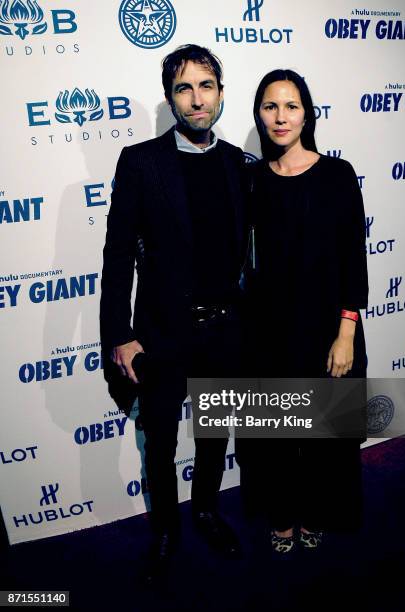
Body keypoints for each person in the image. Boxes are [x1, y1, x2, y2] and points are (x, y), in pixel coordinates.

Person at [100, 44, 249, 578]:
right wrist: (119, 332)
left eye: (206, 85)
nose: (196, 98)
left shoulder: (237, 163)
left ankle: (207, 510)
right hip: (160, 334)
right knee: (159, 441)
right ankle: (165, 526)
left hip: (225, 329)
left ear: (221, 93)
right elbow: (118, 254)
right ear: (170, 98)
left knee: (215, 434)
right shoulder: (141, 162)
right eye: (184, 88)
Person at [249, 69, 368, 553]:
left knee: (326, 436)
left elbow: (352, 258)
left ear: (307, 113)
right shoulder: (251, 179)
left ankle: (317, 512)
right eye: (270, 106)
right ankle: (280, 516)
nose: (281, 117)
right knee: (275, 438)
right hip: (271, 332)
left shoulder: (337, 175)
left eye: (291, 106)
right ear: (258, 114)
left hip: (327, 328)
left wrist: (347, 331)